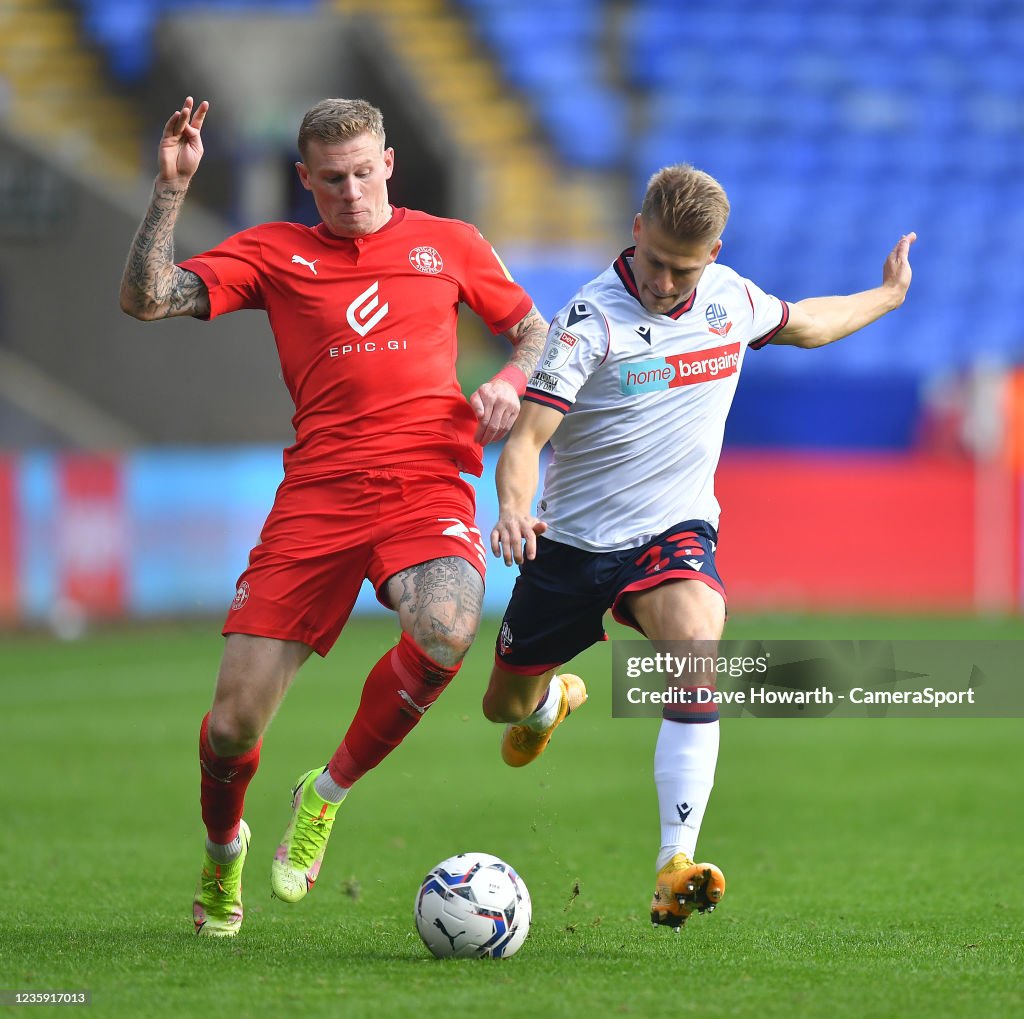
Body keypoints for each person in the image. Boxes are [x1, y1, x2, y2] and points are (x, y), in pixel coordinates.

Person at [119, 96, 549, 937]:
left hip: (427, 481)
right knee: (234, 724)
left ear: (388, 162)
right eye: (331, 179)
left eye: (363, 172)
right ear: (303, 179)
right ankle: (221, 853)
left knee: (449, 627)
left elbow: (533, 330)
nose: (351, 192)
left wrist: (508, 381)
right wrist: (169, 192)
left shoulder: (451, 243)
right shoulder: (275, 252)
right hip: (318, 495)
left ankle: (324, 795)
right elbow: (149, 299)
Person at [482, 164, 916, 929]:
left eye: (685, 267)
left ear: (715, 250)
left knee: (695, 651)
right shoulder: (589, 321)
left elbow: (809, 323)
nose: (665, 281)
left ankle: (674, 861)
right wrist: (515, 510)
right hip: (573, 546)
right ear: (638, 228)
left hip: (673, 531)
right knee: (503, 705)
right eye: (655, 261)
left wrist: (885, 295)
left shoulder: (731, 297)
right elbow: (526, 442)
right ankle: (550, 702)